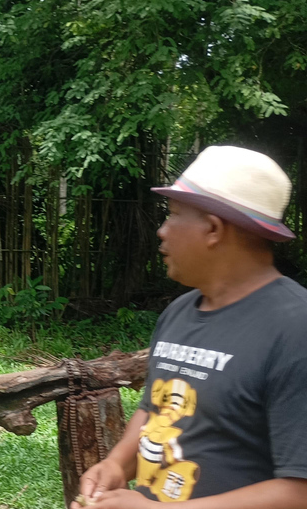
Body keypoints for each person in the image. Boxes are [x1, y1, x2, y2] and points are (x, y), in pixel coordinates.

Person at [71, 146, 307, 508]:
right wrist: (117, 464)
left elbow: (298, 492)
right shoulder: (180, 311)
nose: (162, 231)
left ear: (213, 229)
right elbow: (155, 409)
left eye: (174, 215)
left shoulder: (294, 329)